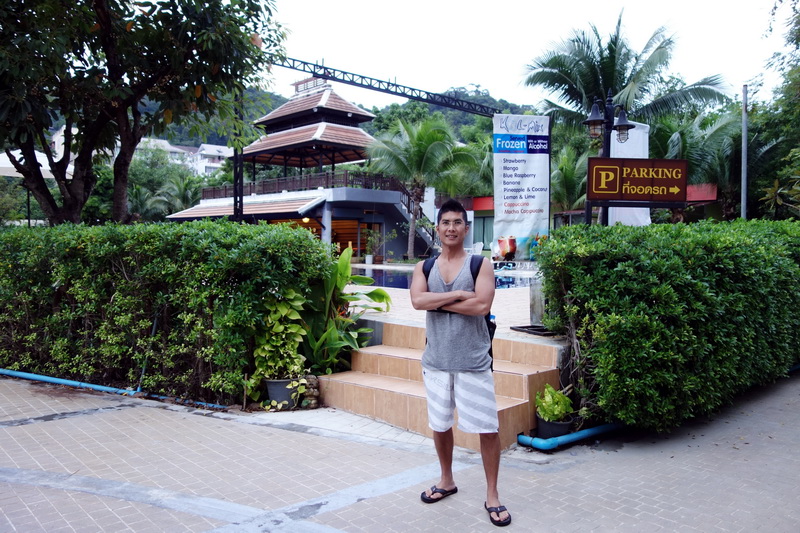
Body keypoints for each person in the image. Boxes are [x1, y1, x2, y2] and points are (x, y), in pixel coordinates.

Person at [409, 198, 511, 527]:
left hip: (473, 361)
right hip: (436, 361)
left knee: (487, 429)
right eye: (446, 222)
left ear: (466, 229)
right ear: (437, 228)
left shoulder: (480, 265)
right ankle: (447, 480)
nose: (451, 228)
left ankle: (492, 494)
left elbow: (481, 307)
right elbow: (416, 301)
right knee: (440, 425)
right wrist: (457, 295)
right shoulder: (424, 268)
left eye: (457, 223)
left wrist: (436, 302)